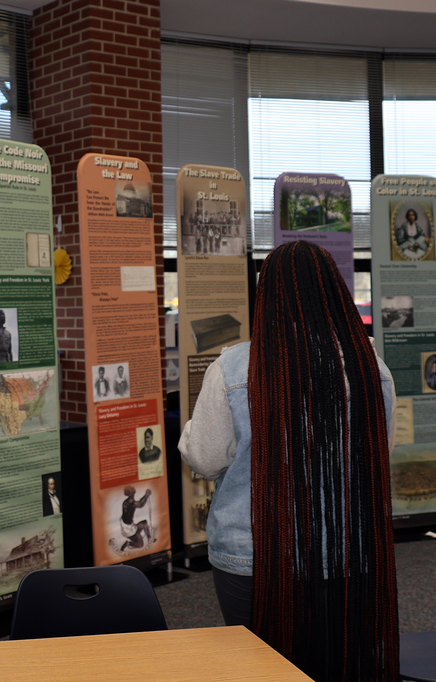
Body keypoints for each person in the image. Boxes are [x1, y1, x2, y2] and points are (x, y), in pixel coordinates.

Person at [178, 240, 398, 681]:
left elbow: (201, 457)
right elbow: (380, 452)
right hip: (346, 553)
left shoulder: (235, 368)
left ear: (268, 293)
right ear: (336, 291)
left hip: (253, 556)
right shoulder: (370, 367)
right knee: (340, 663)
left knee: (259, 669)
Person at [119, 486, 152, 551]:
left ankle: (150, 538)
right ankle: (128, 544)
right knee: (140, 545)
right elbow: (140, 504)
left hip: (130, 526)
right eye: (132, 489)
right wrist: (147, 495)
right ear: (130, 493)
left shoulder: (128, 501)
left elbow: (139, 504)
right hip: (128, 530)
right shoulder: (130, 502)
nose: (133, 488)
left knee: (144, 523)